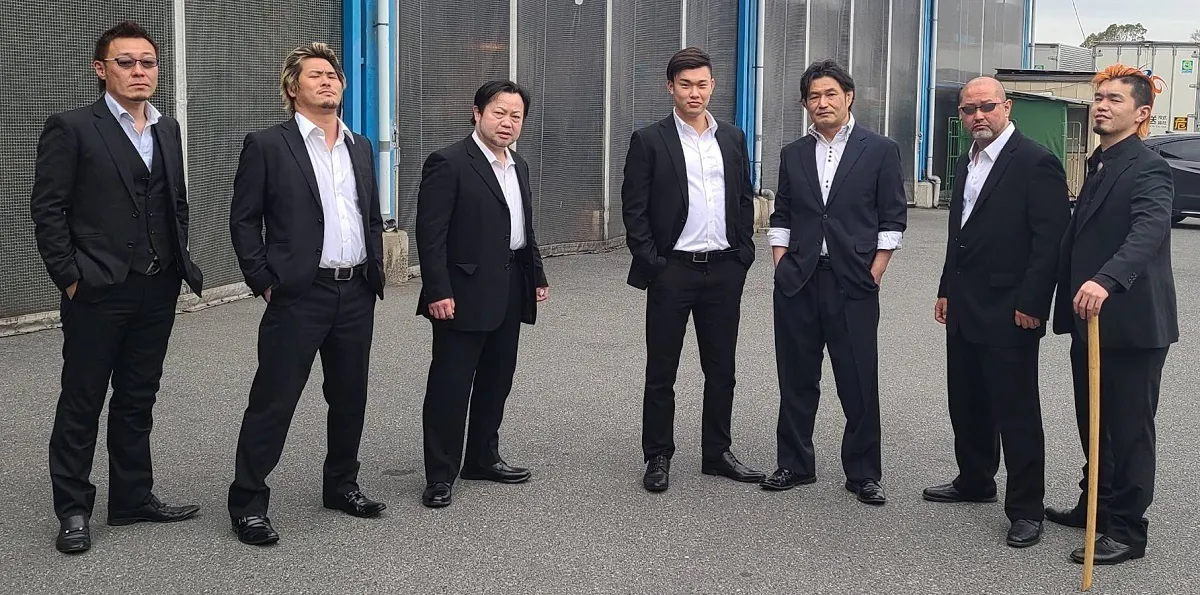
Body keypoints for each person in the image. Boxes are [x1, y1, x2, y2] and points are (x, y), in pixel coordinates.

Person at [30, 21, 205, 554]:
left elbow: (174, 201)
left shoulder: (167, 129)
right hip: (97, 289)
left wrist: (177, 261)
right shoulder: (71, 128)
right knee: (82, 399)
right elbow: (48, 210)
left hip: (156, 286)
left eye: (147, 63)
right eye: (125, 62)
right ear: (101, 69)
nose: (138, 71)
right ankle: (73, 508)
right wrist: (70, 278)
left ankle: (131, 497)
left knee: (137, 396)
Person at [227, 42, 387, 546]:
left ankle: (341, 485)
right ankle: (248, 502)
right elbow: (244, 219)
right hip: (298, 294)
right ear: (293, 88)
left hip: (354, 291)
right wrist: (263, 280)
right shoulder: (267, 145)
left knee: (349, 396)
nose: (327, 81)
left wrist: (374, 272)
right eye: (315, 75)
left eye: (333, 75)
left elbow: (369, 214)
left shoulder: (360, 146)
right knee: (274, 399)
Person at [924, 76, 1070, 547]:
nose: (978, 116)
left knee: (1015, 411)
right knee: (967, 400)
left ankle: (1026, 508)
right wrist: (946, 288)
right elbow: (960, 233)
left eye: (987, 106)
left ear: (1007, 108)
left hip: (1011, 310)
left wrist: (1034, 303)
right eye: (969, 109)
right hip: (965, 303)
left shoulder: (1035, 162)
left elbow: (1050, 241)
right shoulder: (967, 161)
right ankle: (975, 479)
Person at [1046, 64, 1177, 565]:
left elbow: (1147, 232)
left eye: (1114, 99)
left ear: (1142, 113)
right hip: (1091, 323)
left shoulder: (1148, 167)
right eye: (1099, 97)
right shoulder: (1100, 162)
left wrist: (1107, 278)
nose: (1101, 105)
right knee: (1093, 423)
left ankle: (1126, 530)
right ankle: (1095, 507)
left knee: (1128, 431)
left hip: (1132, 324)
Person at [762, 60, 906, 505]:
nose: (821, 103)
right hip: (799, 280)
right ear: (805, 103)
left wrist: (875, 270)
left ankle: (863, 473)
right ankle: (794, 463)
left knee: (858, 379)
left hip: (853, 281)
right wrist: (781, 264)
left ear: (848, 96)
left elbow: (892, 217)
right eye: (813, 96)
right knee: (796, 376)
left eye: (829, 94)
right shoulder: (793, 153)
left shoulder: (879, 150)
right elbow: (782, 214)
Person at [620, 47, 762, 493]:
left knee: (722, 369)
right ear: (670, 87)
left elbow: (743, 197)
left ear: (712, 86)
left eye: (702, 84)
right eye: (685, 85)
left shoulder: (732, 138)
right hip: (673, 271)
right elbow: (634, 209)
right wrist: (654, 263)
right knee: (662, 370)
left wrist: (743, 253)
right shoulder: (649, 140)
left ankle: (717, 452)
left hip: (724, 269)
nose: (694, 93)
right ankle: (658, 455)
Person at [415, 80, 550, 508]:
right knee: (451, 385)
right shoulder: (449, 162)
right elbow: (430, 234)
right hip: (461, 292)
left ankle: (482, 457)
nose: (507, 122)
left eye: (516, 116)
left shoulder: (518, 165)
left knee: (497, 379)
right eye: (499, 113)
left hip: (509, 287)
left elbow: (524, 228)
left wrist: (537, 275)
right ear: (477, 113)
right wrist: (437, 289)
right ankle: (440, 474)